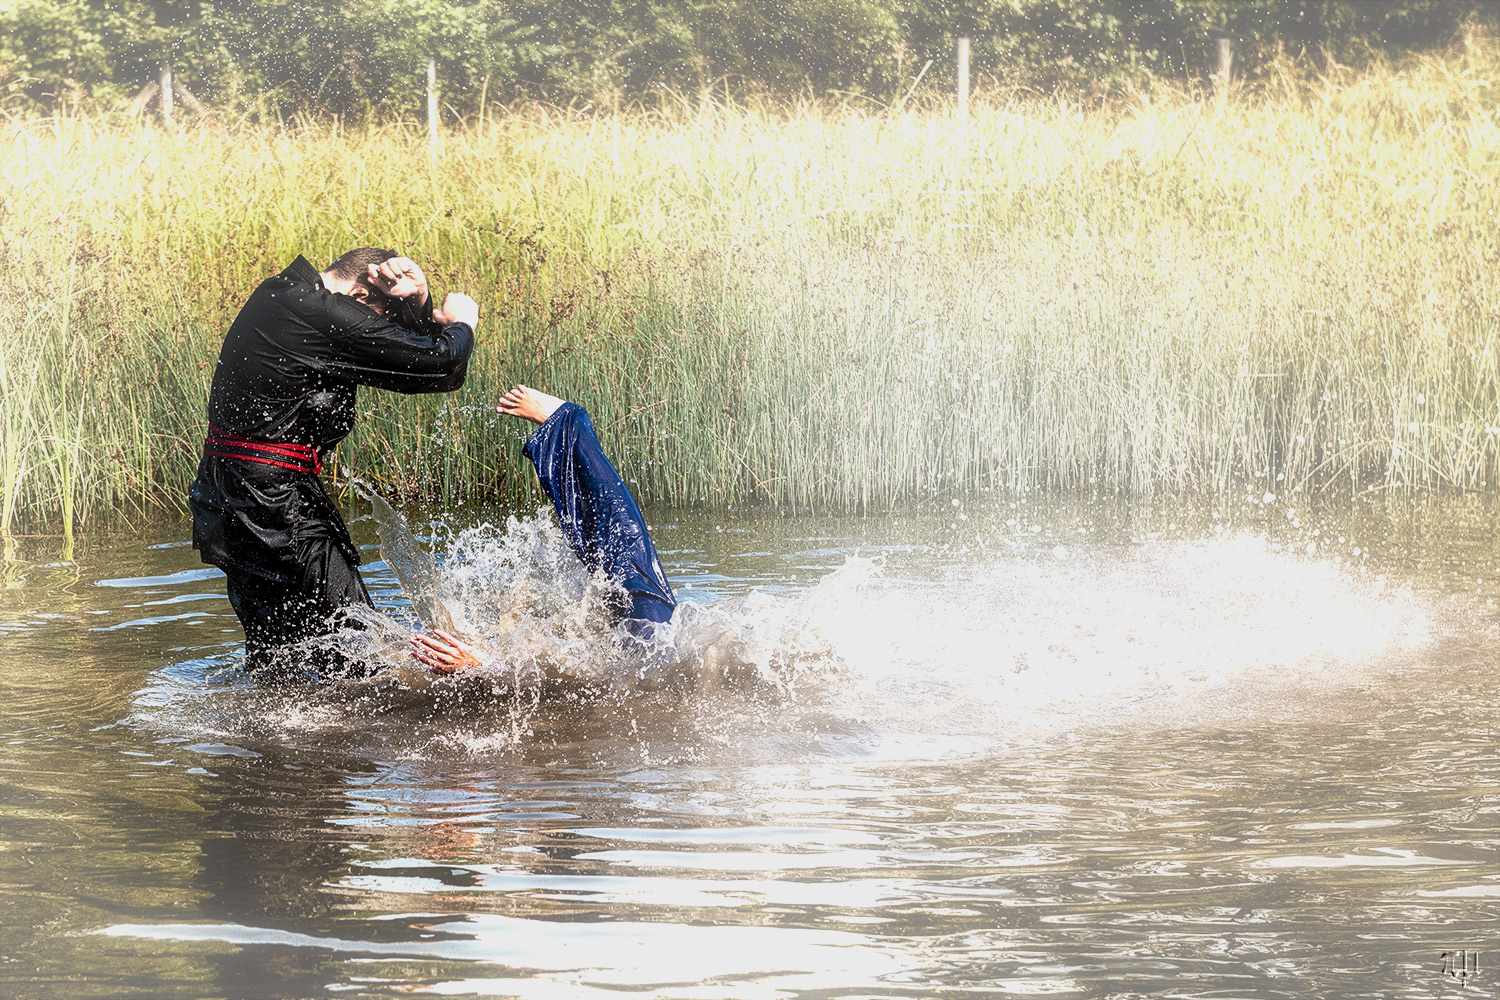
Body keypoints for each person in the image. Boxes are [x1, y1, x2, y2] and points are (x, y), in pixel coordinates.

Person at [189, 248, 479, 677]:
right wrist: (461, 322)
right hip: (270, 499)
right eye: (377, 319)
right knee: (362, 646)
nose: (375, 332)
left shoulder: (290, 300)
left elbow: (427, 371)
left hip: (237, 492)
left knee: (279, 658)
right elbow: (440, 363)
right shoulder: (314, 312)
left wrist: (418, 301)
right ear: (359, 294)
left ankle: (269, 742)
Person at [410, 385, 676, 673]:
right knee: (627, 571)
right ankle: (568, 423)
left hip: (646, 652)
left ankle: (570, 423)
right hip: (652, 648)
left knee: (628, 568)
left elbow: (559, 672)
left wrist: (483, 666)